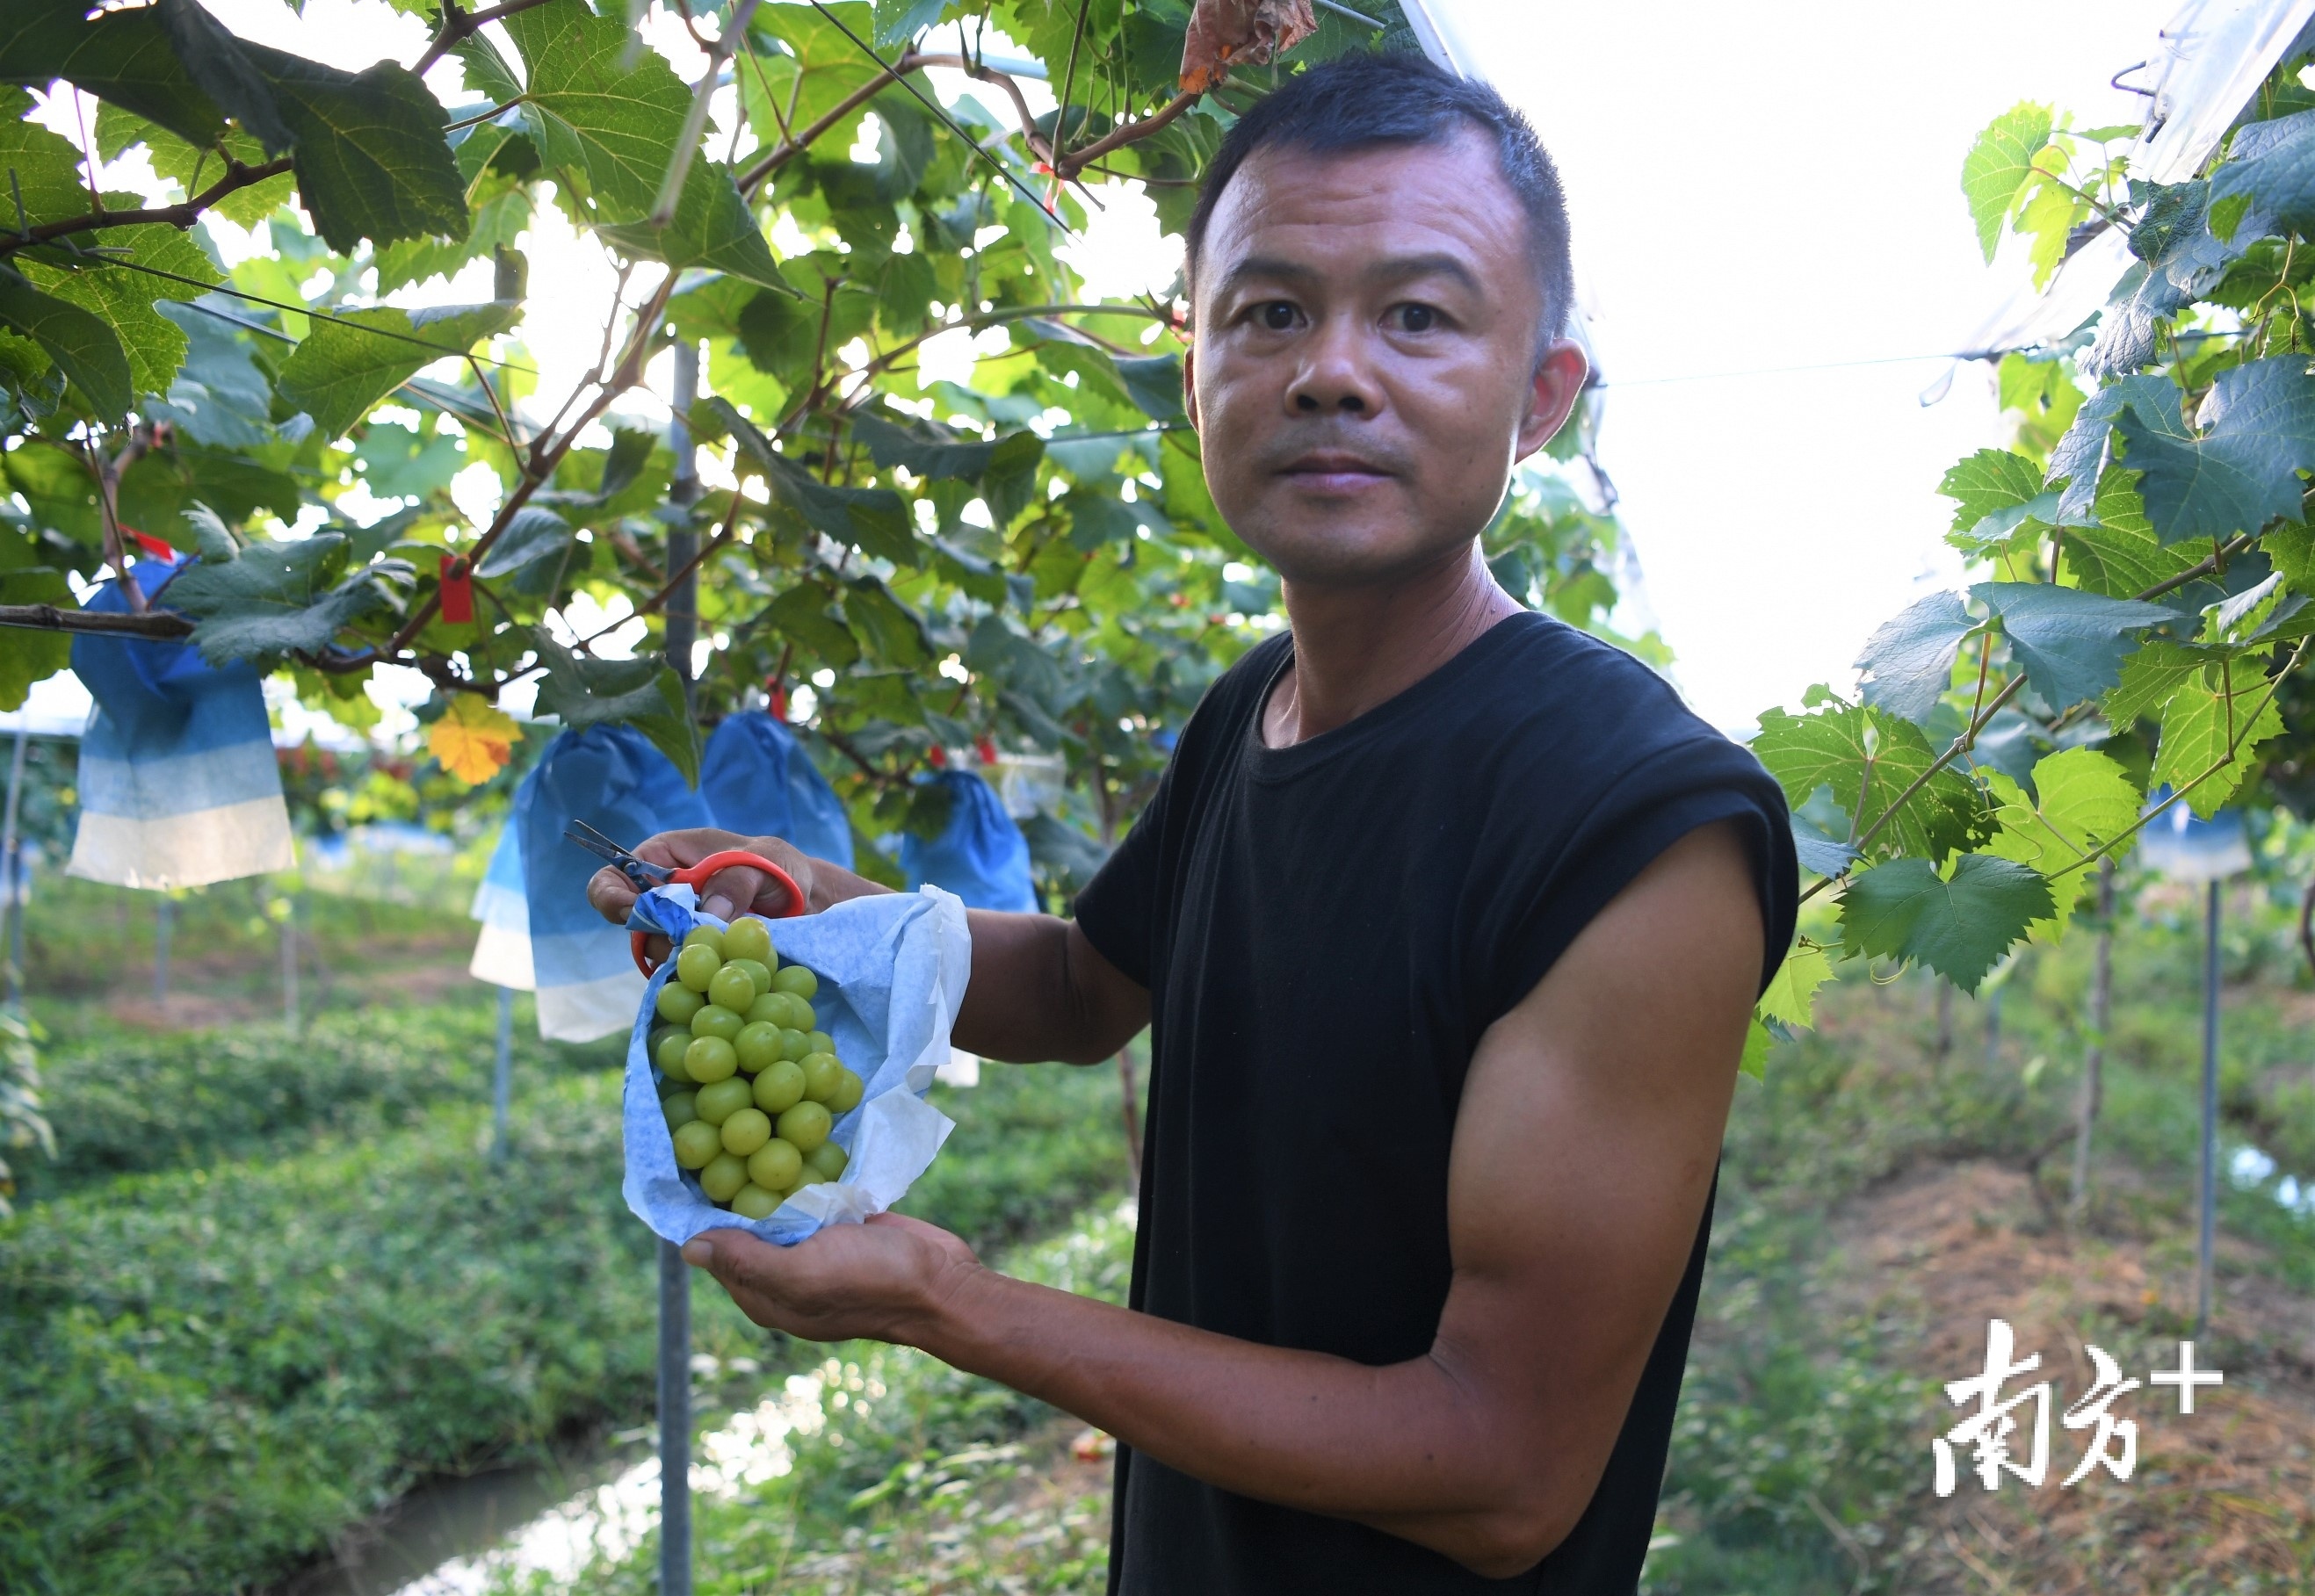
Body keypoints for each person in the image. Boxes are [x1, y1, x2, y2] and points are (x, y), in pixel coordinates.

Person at [590, 51, 1797, 1595]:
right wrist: (819, 907)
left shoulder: (1637, 827)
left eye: (1418, 316)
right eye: (1270, 311)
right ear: (1198, 370)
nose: (1330, 372)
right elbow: (1090, 988)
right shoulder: (1253, 712)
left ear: (1541, 394)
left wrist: (958, 1304)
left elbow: (1502, 1468)